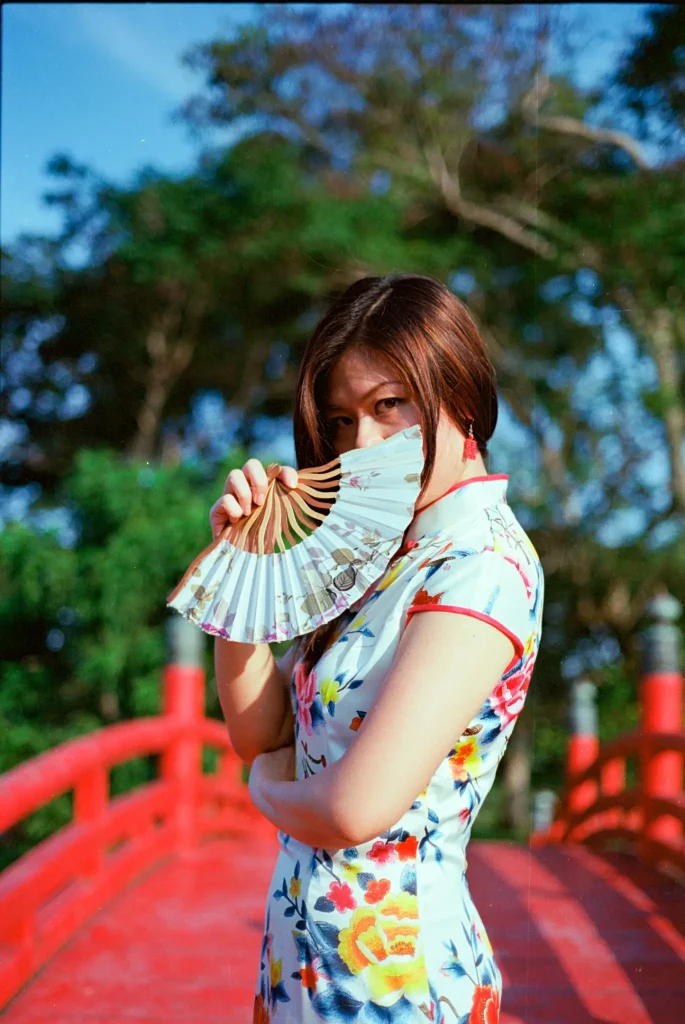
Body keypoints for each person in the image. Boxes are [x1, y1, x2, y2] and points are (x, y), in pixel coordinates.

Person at [210, 273, 545, 1023]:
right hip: (301, 964)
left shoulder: (478, 567)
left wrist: (261, 789)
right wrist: (243, 566)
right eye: (339, 420)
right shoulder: (389, 558)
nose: (361, 444)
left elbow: (352, 809)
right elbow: (260, 732)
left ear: (458, 393)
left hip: (393, 982)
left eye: (388, 406)